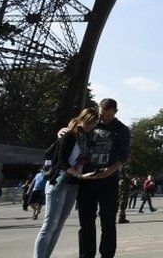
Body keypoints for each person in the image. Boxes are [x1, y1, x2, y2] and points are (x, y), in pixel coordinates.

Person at [33, 108, 99, 257]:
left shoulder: (88, 139)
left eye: (94, 124)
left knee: (58, 226)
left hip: (73, 184)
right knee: (49, 225)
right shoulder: (68, 135)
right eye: (89, 123)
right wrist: (80, 175)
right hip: (58, 182)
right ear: (82, 119)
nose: (91, 126)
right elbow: (61, 162)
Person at [74, 98, 131, 258]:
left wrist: (110, 171)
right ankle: (86, 254)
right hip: (87, 179)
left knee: (107, 221)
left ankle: (106, 254)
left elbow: (123, 157)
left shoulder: (122, 130)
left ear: (115, 112)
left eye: (107, 115)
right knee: (86, 221)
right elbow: (73, 129)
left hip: (108, 181)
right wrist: (61, 131)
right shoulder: (92, 123)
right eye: (101, 114)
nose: (103, 118)